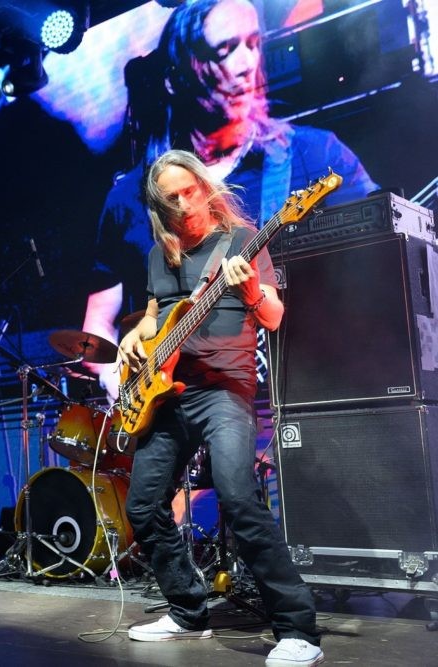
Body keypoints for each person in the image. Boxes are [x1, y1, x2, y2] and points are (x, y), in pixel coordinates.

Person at [83, 0, 378, 396]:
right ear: (176, 77)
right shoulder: (128, 198)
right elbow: (97, 324)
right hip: (176, 404)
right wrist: (113, 376)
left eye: (253, 44)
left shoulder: (317, 157)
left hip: (300, 391)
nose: (246, 65)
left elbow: (381, 265)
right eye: (224, 50)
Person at [116, 149, 322, 667]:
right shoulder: (159, 254)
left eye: (189, 191)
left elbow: (273, 317)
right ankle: (188, 611)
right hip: (166, 392)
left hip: (224, 390)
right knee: (142, 506)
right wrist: (134, 337)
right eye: (171, 198)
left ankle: (298, 630)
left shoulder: (243, 241)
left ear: (206, 188)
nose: (183, 204)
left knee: (238, 497)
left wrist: (250, 289)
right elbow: (155, 315)